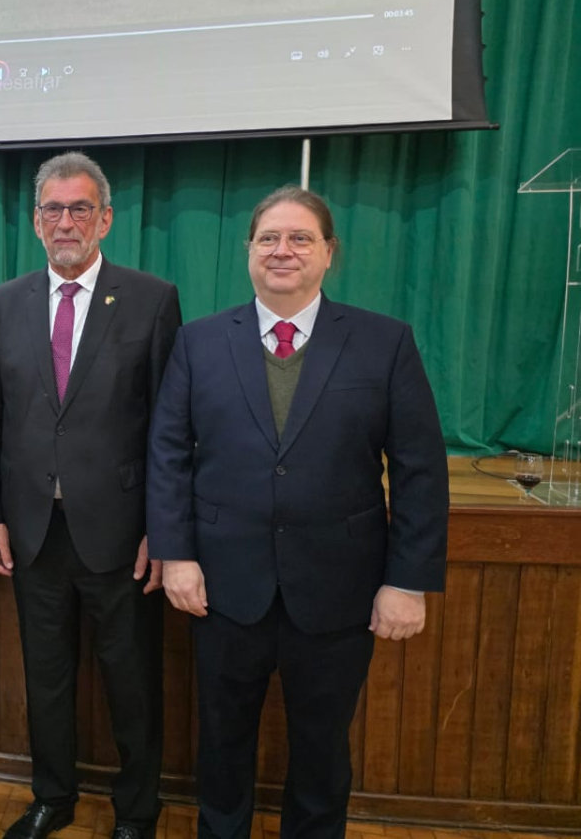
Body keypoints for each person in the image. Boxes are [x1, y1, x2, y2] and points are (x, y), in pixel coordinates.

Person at [146, 186, 449, 839]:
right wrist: (177, 554)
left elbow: (421, 469)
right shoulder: (198, 342)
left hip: (339, 591)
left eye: (300, 238)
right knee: (222, 742)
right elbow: (167, 454)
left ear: (329, 252)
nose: (282, 250)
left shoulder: (384, 342)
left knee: (321, 750)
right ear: (249, 251)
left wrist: (407, 581)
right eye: (268, 238)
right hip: (222, 590)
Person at [0, 152, 181, 839]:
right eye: (53, 210)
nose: (66, 222)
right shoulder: (5, 302)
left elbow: (169, 426)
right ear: (36, 222)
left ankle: (137, 811)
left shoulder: (151, 299)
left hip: (122, 535)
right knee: (47, 678)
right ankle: (53, 797)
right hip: (32, 532)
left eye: (80, 209)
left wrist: (163, 530)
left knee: (131, 681)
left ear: (106, 219)